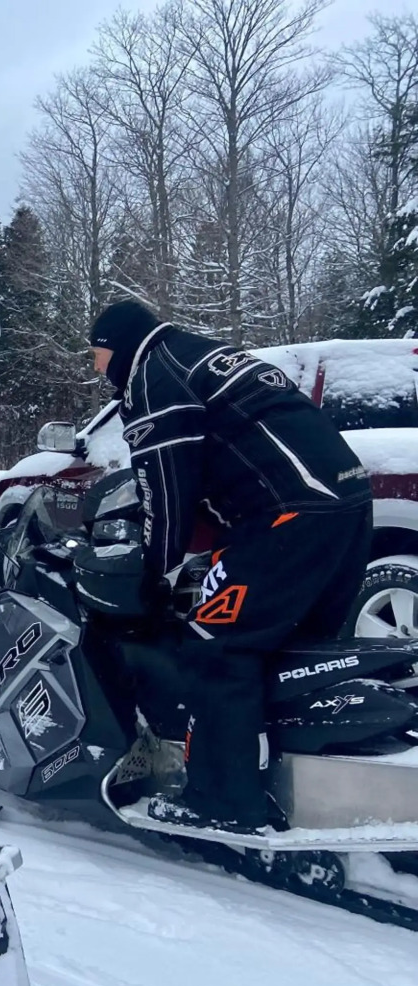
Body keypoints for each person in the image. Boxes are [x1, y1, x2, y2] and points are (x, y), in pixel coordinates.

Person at [90, 300, 372, 832]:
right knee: (293, 652)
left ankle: (222, 803)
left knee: (214, 646)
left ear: (118, 344)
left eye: (97, 354)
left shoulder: (155, 375)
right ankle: (310, 779)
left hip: (290, 515)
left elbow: (166, 488)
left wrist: (156, 572)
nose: (97, 368)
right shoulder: (207, 355)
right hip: (349, 504)